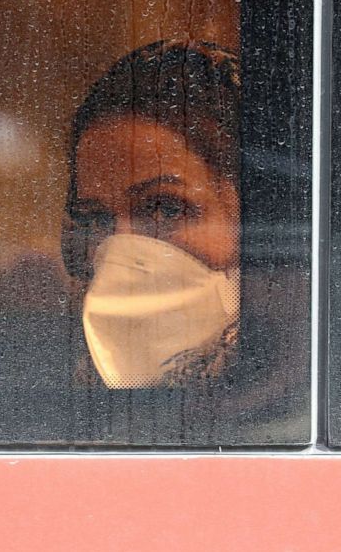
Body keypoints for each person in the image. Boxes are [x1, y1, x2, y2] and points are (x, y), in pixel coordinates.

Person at [62, 39, 242, 390]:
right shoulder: (74, 414)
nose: (124, 251)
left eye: (165, 208)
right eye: (96, 220)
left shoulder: (328, 393)